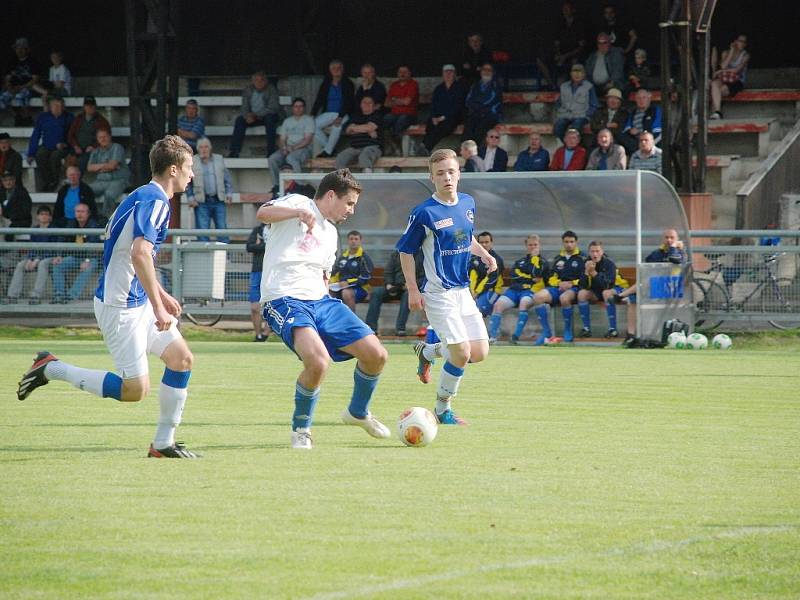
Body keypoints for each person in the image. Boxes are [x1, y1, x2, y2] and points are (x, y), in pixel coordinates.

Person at [17, 134, 200, 459]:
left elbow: (131, 255)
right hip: (122, 307)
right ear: (173, 169)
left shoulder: (142, 196)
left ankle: (163, 444)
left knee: (181, 358)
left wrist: (159, 293)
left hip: (137, 300)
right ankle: (51, 368)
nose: (192, 174)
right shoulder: (156, 201)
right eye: (189, 167)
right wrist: (159, 307)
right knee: (134, 390)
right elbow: (140, 253)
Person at [257, 169, 391, 449]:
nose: (351, 210)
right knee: (318, 362)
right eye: (349, 203)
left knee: (376, 355)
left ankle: (357, 412)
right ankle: (301, 429)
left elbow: (324, 275)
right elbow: (263, 213)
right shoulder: (298, 203)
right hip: (284, 298)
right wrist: (295, 215)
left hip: (321, 301)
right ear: (331, 195)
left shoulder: (331, 232)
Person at [397, 148, 497, 425]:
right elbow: (405, 251)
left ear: (459, 174)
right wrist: (412, 289)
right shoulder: (424, 213)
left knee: (479, 352)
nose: (447, 177)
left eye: (451, 171)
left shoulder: (467, 203)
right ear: (432, 178)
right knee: (462, 354)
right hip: (438, 294)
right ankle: (442, 410)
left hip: (462, 292)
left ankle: (428, 351)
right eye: (440, 173)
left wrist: (484, 254)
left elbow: (465, 238)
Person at [614, 228, 686, 347]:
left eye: (672, 238)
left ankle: (620, 295)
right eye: (666, 237)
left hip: (672, 288)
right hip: (656, 287)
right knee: (633, 297)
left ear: (677, 239)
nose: (668, 240)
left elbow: (675, 259)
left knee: (646, 281)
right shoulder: (658, 252)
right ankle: (630, 335)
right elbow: (648, 263)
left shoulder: (681, 252)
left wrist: (673, 247)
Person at [487, 234, 547, 344]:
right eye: (530, 245)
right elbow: (514, 275)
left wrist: (534, 260)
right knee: (498, 305)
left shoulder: (542, 261)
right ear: (526, 245)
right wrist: (530, 277)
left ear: (539, 246)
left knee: (524, 303)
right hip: (514, 291)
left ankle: (515, 337)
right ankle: (492, 337)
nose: (533, 247)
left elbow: (537, 273)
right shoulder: (520, 261)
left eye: (535, 245)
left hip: (530, 291)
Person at [532, 230, 586, 344]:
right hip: (558, 287)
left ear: (576, 242)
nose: (569, 244)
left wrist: (571, 283)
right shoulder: (558, 258)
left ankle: (567, 330)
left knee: (564, 298)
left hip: (575, 288)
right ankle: (547, 332)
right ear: (563, 242)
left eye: (571, 242)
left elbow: (585, 278)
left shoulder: (582, 258)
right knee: (537, 297)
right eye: (566, 242)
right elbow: (551, 277)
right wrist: (559, 284)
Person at [5, 205, 58, 304]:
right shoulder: (35, 229)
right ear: (37, 216)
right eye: (41, 214)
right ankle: (12, 295)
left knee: (42, 264)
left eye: (46, 214)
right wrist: (30, 259)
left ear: (50, 217)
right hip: (35, 258)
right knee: (21, 264)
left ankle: (36, 296)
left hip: (49, 257)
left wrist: (37, 259)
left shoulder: (54, 229)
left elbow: (52, 249)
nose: (44, 216)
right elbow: (32, 247)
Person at [51, 202, 102, 303]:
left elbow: (94, 244)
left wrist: (87, 260)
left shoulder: (93, 225)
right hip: (75, 257)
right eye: (77, 211)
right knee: (58, 265)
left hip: (92, 258)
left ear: (88, 214)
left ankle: (71, 296)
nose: (80, 214)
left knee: (88, 268)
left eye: (82, 212)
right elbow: (62, 239)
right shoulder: (71, 223)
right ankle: (59, 294)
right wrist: (59, 255)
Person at [365, 250, 424, 337]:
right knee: (377, 292)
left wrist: (412, 285)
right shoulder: (396, 254)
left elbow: (424, 277)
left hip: (410, 289)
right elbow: (388, 271)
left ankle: (400, 329)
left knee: (408, 295)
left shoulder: (422, 256)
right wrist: (389, 284)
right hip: (393, 286)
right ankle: (371, 328)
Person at [185, 137, 233, 243]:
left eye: (206, 147)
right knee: (202, 232)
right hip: (201, 202)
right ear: (197, 149)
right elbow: (188, 182)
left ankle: (225, 258)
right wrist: (190, 197)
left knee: (222, 230)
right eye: (201, 147)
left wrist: (229, 194)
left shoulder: (219, 159)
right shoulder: (192, 161)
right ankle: (204, 258)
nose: (204, 150)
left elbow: (227, 180)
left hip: (218, 200)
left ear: (210, 148)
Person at [228, 71, 280, 158]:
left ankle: (271, 152)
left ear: (266, 81)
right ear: (253, 81)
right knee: (240, 120)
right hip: (253, 117)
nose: (259, 82)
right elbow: (244, 107)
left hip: (268, 116)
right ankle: (234, 152)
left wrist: (255, 115)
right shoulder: (248, 90)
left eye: (262, 80)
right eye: (256, 80)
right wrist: (247, 116)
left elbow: (272, 108)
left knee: (269, 119)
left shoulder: (272, 89)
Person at [27, 95, 74, 192]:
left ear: (63, 106)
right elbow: (36, 135)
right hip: (46, 146)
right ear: (50, 107)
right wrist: (31, 153)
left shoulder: (69, 117)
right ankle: (48, 181)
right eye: (54, 105)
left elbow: (73, 135)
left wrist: (65, 144)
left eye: (59, 105)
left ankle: (54, 182)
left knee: (55, 156)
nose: (57, 108)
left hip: (63, 147)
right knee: (40, 154)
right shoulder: (43, 117)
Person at [268, 97, 314, 194]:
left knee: (291, 158)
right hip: (288, 147)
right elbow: (282, 139)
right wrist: (284, 148)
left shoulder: (308, 120)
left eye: (300, 106)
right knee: (273, 158)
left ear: (304, 108)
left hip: (303, 148)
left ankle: (298, 186)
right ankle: (277, 186)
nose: (298, 108)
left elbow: (307, 139)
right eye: (296, 106)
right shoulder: (287, 121)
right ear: (292, 108)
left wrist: (293, 148)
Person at [311, 60, 355, 158]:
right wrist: (312, 114)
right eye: (333, 68)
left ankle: (327, 152)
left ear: (342, 69)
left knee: (337, 126)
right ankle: (330, 148)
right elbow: (319, 100)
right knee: (312, 125)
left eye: (339, 68)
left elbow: (349, 102)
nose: (336, 70)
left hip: (343, 113)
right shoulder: (326, 83)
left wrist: (340, 116)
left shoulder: (348, 83)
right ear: (330, 70)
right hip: (328, 113)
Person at [576, 240, 620, 337]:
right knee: (582, 294)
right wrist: (587, 273)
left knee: (606, 293)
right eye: (592, 251)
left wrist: (594, 274)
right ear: (589, 252)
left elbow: (608, 285)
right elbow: (582, 286)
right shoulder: (585, 263)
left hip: (613, 290)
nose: (595, 254)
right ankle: (586, 329)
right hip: (595, 292)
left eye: (597, 251)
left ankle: (613, 329)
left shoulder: (609, 264)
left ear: (602, 252)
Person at [422, 64, 466, 154]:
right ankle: (425, 146)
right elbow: (433, 104)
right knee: (430, 123)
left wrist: (443, 117)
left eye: (451, 72)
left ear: (454, 74)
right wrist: (434, 117)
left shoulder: (460, 88)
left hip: (454, 117)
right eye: (446, 72)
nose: (448, 74)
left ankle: (426, 146)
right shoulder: (439, 89)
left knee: (446, 125)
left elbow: (458, 106)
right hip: (438, 117)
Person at [87, 129, 130, 217]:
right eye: (100, 137)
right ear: (97, 139)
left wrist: (99, 167)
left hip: (118, 180)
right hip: (100, 181)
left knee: (109, 194)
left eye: (105, 137)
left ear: (110, 137)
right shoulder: (96, 151)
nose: (103, 139)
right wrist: (106, 166)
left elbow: (112, 166)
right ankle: (92, 216)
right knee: (85, 191)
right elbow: (89, 168)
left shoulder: (117, 147)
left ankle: (105, 219)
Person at [329, 230, 374, 313]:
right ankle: (333, 321)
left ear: (360, 241)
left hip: (360, 288)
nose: (353, 241)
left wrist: (348, 283)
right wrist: (330, 283)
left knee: (346, 293)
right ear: (348, 241)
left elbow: (366, 277)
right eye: (351, 239)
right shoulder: (343, 256)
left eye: (356, 239)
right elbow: (335, 273)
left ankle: (351, 322)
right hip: (341, 287)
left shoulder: (364, 258)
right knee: (328, 293)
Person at [335, 96, 383, 172]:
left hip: (372, 147)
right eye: (364, 102)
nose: (367, 104)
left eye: (370, 102)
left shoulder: (377, 116)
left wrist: (354, 128)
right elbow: (348, 129)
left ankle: (367, 178)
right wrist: (366, 129)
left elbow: (370, 127)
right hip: (355, 148)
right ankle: (344, 182)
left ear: (374, 105)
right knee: (341, 157)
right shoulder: (354, 117)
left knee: (364, 155)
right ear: (360, 104)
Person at [0, 37, 41, 125]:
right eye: (18, 48)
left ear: (27, 49)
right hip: (14, 87)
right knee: (2, 98)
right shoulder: (12, 61)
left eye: (22, 48)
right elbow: (7, 78)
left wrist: (21, 87)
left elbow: (35, 79)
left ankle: (26, 118)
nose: (19, 50)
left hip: (27, 87)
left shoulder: (33, 61)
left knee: (21, 95)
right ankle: (17, 116)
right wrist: (10, 87)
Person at [553, 63, 598, 141]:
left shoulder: (589, 86)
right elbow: (559, 102)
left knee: (575, 128)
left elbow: (594, 104)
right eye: (575, 72)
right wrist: (558, 111)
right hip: (565, 114)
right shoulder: (564, 86)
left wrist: (587, 114)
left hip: (581, 115)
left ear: (584, 75)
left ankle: (574, 146)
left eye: (580, 72)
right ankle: (566, 146)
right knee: (558, 127)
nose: (577, 75)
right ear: (571, 74)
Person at [66, 96, 111, 174]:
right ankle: (70, 181)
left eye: (92, 105)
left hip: (93, 150)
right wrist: (75, 146)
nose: (90, 107)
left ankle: (78, 181)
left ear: (95, 106)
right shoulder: (78, 119)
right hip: (77, 148)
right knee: (70, 160)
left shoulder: (102, 121)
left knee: (82, 161)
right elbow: (70, 135)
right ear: (84, 107)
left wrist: (94, 146)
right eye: (87, 105)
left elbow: (106, 138)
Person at [710, 34, 750, 120]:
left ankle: (715, 113)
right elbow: (723, 66)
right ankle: (717, 112)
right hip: (725, 79)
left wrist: (720, 71)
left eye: (744, 42)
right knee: (714, 84)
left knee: (719, 91)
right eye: (740, 41)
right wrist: (731, 51)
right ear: (735, 42)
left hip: (737, 81)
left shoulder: (745, 55)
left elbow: (736, 70)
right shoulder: (726, 53)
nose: (742, 44)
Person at [462, 63, 502, 145]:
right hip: (476, 113)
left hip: (491, 114)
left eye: (489, 70)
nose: (486, 72)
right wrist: (476, 108)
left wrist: (478, 107)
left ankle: (473, 148)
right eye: (484, 70)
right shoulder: (475, 85)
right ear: (481, 72)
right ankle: (464, 146)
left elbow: (491, 101)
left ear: (493, 72)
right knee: (469, 123)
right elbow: (468, 100)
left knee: (482, 126)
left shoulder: (496, 85)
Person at [383, 65, 419, 153]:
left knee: (401, 121)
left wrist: (394, 99)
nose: (402, 74)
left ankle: (398, 147)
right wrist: (400, 101)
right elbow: (386, 103)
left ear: (409, 73)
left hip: (409, 115)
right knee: (384, 121)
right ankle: (393, 146)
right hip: (394, 115)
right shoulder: (394, 85)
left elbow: (407, 102)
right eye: (400, 72)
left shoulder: (413, 84)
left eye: (405, 72)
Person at [470, 231, 505, 318]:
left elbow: (491, 280)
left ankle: (492, 331)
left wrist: (476, 293)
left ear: (491, 243)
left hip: (492, 290)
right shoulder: (473, 259)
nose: (484, 245)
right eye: (481, 242)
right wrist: (472, 292)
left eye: (486, 242)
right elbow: (471, 277)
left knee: (478, 310)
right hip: (475, 292)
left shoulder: (496, 260)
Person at [245, 222, 270, 342]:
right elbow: (249, 247)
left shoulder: (281, 229)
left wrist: (260, 245)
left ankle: (266, 333)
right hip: (257, 271)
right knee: (255, 307)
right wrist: (266, 245)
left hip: (273, 273)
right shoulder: (258, 230)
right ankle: (258, 335)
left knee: (273, 306)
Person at [619, 88, 662, 155]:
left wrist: (642, 134)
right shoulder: (632, 113)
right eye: (638, 98)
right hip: (634, 143)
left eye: (644, 97)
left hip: (651, 143)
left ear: (649, 98)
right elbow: (626, 129)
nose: (641, 100)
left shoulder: (656, 111)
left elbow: (658, 132)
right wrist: (630, 130)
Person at [0, 169, 32, 239]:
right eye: (5, 180)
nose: (8, 182)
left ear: (14, 180)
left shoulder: (22, 192)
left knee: (8, 235)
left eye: (10, 180)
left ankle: (7, 250)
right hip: (5, 221)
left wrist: (11, 217)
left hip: (20, 222)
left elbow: (26, 211)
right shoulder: (2, 192)